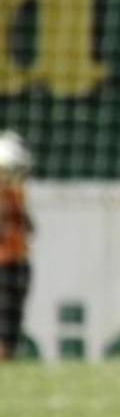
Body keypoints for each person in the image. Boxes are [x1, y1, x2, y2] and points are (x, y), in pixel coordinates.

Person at [0, 130, 34, 362]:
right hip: (2, 263)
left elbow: (30, 227)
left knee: (12, 325)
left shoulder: (17, 191)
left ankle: (8, 361)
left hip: (19, 261)